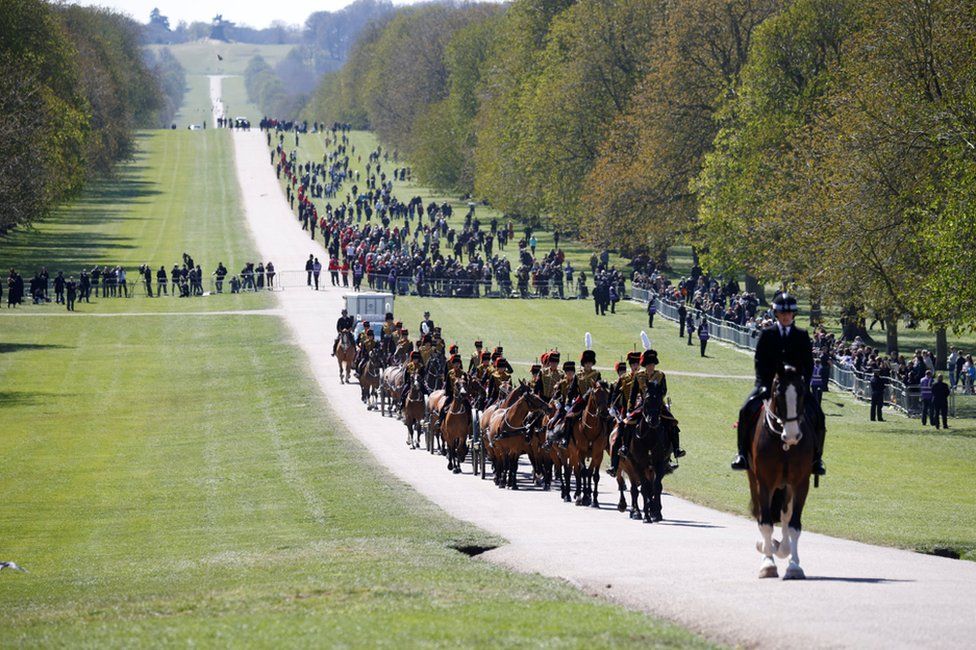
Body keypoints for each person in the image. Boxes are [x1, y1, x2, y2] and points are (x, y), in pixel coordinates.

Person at [732, 292, 825, 476]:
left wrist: (803, 385)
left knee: (819, 415)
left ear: (793, 315)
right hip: (769, 384)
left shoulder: (801, 335)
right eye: (782, 313)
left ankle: (817, 458)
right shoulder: (768, 334)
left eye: (789, 313)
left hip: (796, 386)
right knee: (745, 410)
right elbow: (759, 361)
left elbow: (808, 363)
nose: (785, 316)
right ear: (776, 314)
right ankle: (742, 454)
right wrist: (764, 384)